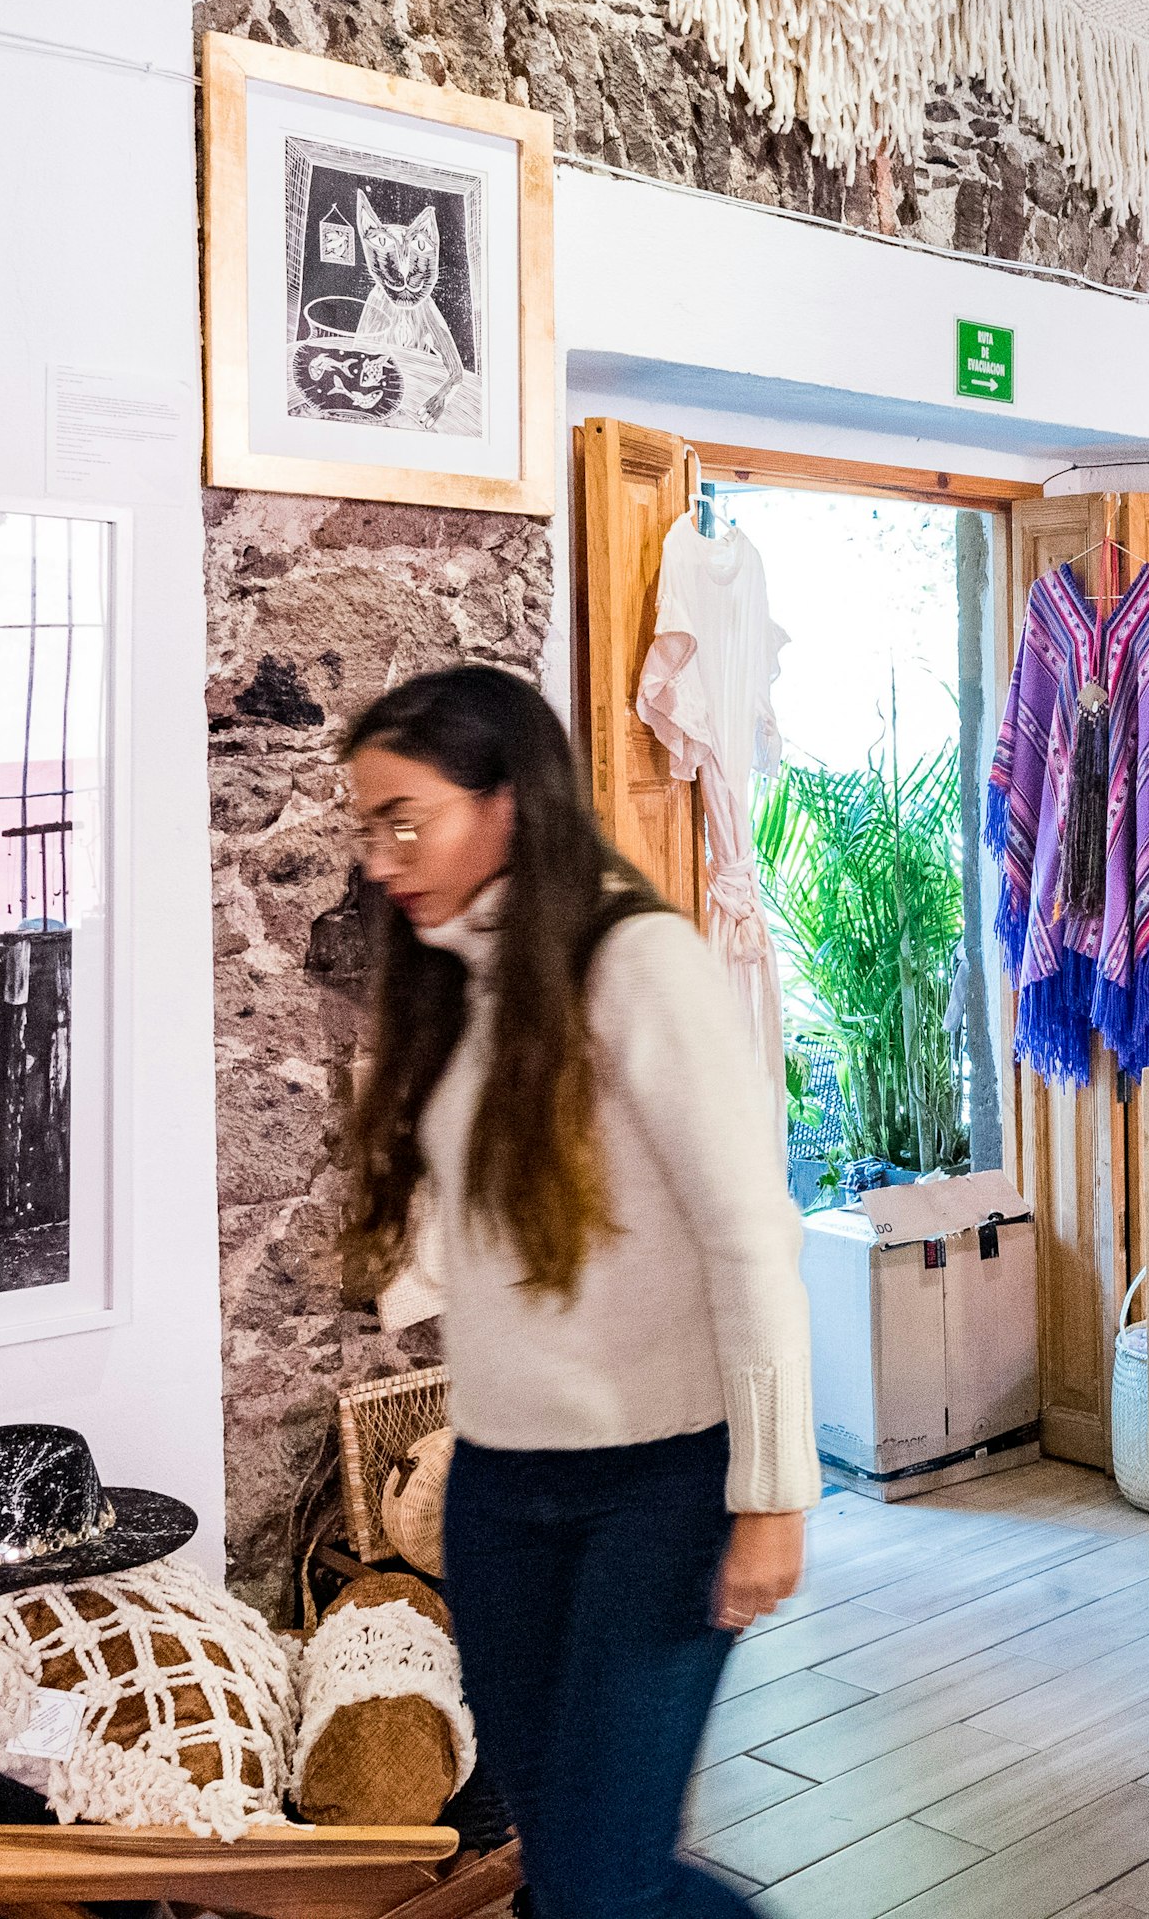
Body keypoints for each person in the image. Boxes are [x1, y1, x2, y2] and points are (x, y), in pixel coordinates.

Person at [335, 665, 815, 1919]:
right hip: (501, 1487)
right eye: (365, 822)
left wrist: (772, 1497)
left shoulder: (638, 959)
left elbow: (752, 1236)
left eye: (405, 815)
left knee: (602, 1886)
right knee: (572, 1869)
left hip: (656, 1487)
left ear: (506, 800)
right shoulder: (456, 973)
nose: (381, 854)